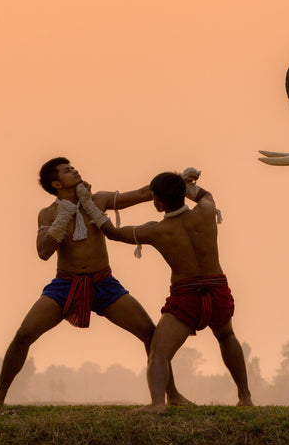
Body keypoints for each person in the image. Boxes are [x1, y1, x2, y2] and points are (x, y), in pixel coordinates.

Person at [0, 157, 189, 407]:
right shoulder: (48, 213)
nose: (74, 170)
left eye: (73, 167)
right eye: (67, 170)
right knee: (24, 334)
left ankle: (173, 395)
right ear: (57, 184)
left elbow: (143, 193)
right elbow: (43, 252)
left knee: (149, 333)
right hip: (65, 284)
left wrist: (180, 181)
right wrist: (62, 219)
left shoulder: (98, 200)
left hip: (103, 282)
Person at [90, 169, 253, 413]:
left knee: (158, 352)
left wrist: (91, 208)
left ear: (158, 203)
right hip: (217, 289)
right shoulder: (206, 212)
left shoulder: (155, 231)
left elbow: (112, 233)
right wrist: (187, 185)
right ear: (183, 194)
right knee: (227, 336)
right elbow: (206, 194)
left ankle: (158, 403)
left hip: (186, 296)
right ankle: (245, 397)